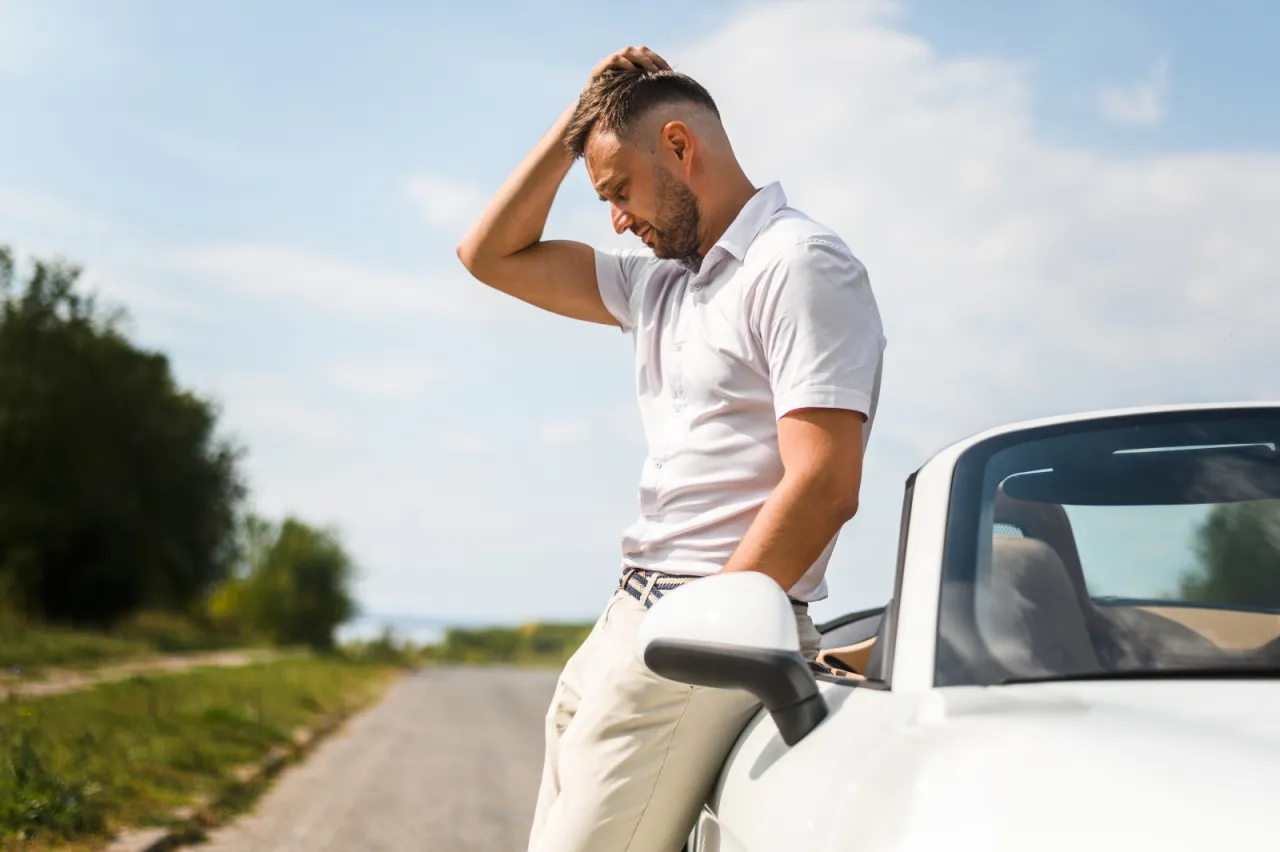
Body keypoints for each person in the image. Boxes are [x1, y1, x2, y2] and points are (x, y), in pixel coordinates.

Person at [456, 45, 885, 852]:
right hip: (627, 617)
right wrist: (579, 119)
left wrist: (715, 626)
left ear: (681, 149)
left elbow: (825, 480)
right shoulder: (659, 283)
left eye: (618, 190)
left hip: (710, 625)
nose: (615, 218)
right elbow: (488, 256)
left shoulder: (797, 264)